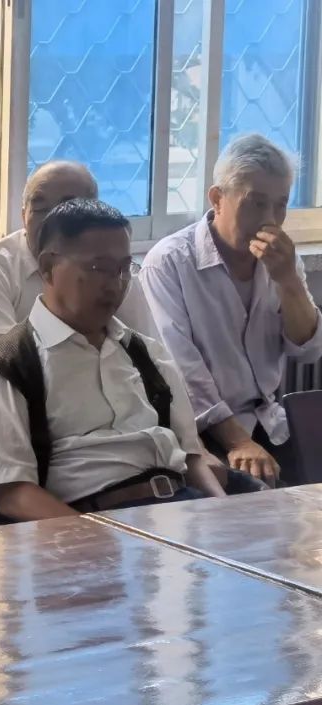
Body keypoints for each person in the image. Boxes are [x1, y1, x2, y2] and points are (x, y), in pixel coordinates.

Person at [0, 199, 225, 524]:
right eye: (99, 268)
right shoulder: (8, 369)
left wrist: (222, 513)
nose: (115, 284)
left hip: (179, 511)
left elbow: (192, 458)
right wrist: (95, 540)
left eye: (124, 268)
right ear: (47, 267)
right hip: (91, 524)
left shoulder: (147, 354)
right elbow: (14, 494)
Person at [140, 134, 322, 486]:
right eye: (256, 203)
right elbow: (181, 371)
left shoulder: (284, 261)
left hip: (271, 421)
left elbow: (309, 349)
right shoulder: (170, 263)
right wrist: (238, 441)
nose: (270, 220)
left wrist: (288, 281)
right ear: (217, 199)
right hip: (204, 430)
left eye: (281, 205)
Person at [0, 161, 158, 353]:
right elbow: (6, 358)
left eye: (67, 209)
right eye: (40, 209)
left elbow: (148, 350)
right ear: (23, 215)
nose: (50, 220)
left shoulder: (118, 269)